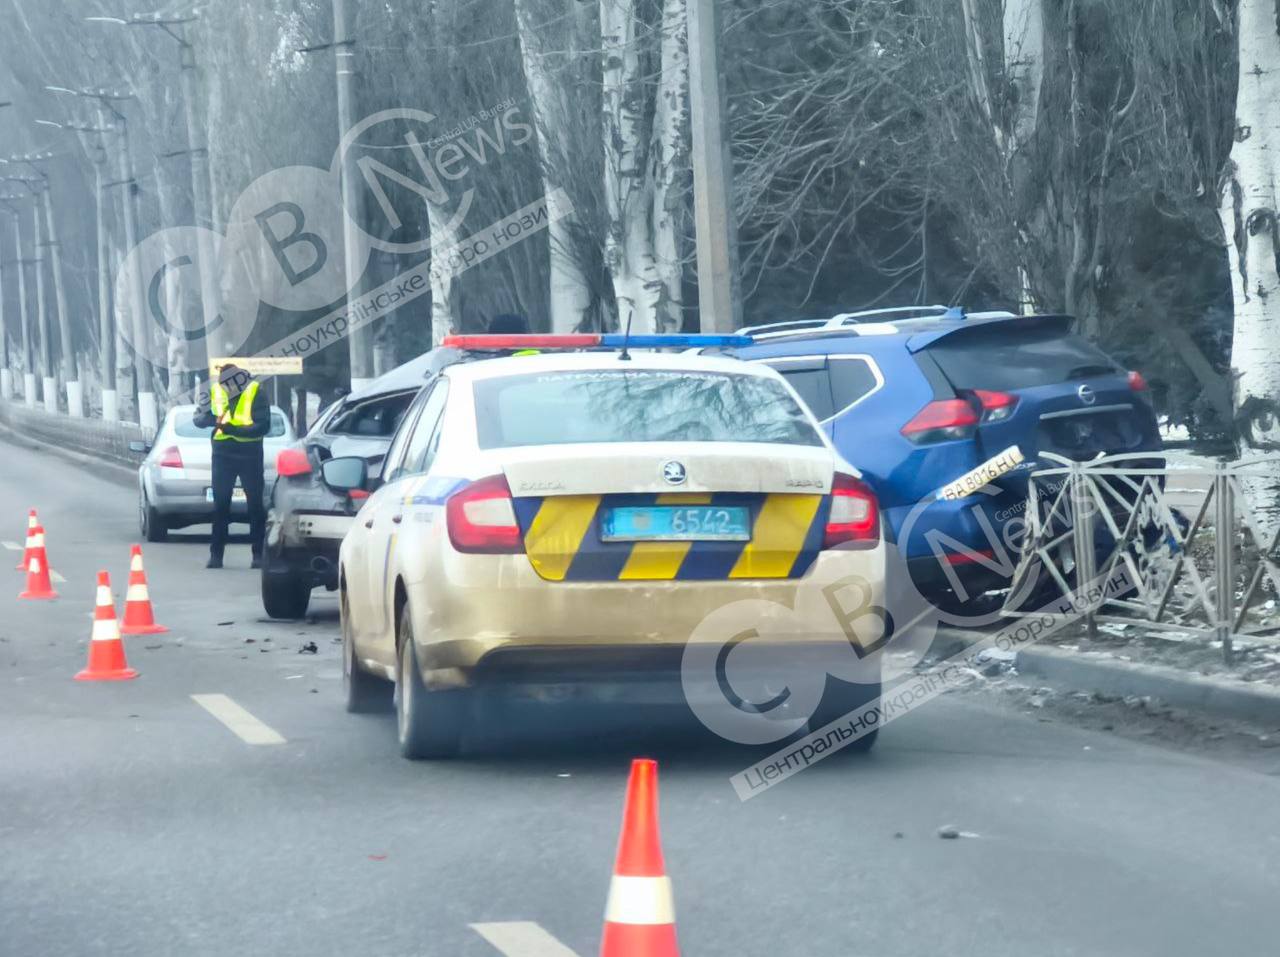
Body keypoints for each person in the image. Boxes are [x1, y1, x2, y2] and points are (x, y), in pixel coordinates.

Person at [193, 363, 270, 569]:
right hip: (222, 456)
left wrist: (228, 428)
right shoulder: (215, 392)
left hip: (250, 455)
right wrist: (211, 420)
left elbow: (262, 426)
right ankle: (216, 555)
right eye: (223, 385)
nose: (226, 388)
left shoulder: (256, 392)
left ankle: (258, 555)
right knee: (220, 507)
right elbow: (199, 418)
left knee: (255, 507)